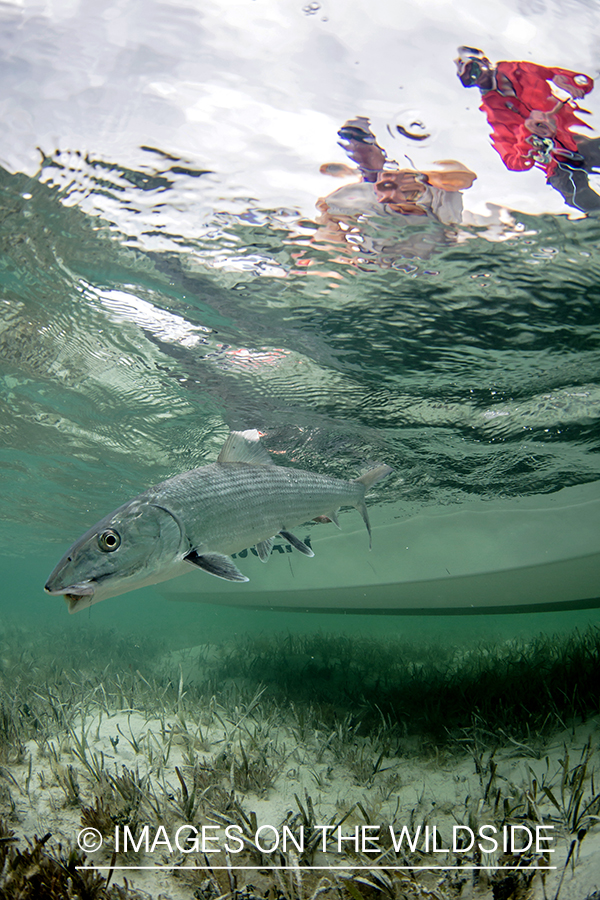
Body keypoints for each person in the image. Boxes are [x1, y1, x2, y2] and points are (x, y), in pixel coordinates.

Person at [454, 47, 600, 212]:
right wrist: (528, 136)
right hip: (556, 166)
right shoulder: (494, 114)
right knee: (583, 202)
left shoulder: (522, 70)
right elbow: (513, 162)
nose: (477, 79)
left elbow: (584, 81)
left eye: (474, 70)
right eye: (469, 80)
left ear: (485, 62)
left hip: (577, 142)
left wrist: (568, 82)